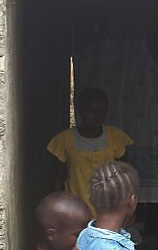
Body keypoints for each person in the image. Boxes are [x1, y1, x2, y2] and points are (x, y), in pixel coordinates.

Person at [47, 87, 133, 215]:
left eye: (101, 111)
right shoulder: (64, 140)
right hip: (74, 211)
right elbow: (58, 178)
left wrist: (128, 208)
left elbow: (126, 177)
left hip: (107, 211)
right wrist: (56, 209)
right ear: (81, 110)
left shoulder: (116, 138)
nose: (96, 116)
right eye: (91, 111)